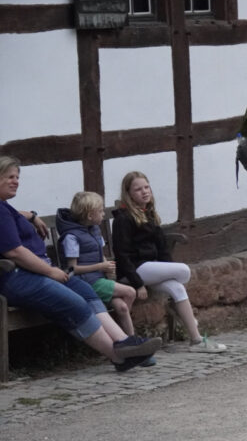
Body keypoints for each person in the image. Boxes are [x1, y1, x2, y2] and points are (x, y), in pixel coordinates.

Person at [0, 156, 161, 372]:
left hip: (35, 272)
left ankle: (125, 341)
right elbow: (14, 252)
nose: (16, 181)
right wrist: (50, 271)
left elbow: (14, 216)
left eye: (17, 177)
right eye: (9, 177)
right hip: (18, 277)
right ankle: (118, 356)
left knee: (83, 289)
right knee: (74, 302)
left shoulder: (5, 208)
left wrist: (32, 216)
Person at [112, 171, 227, 353]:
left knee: (178, 287)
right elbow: (122, 255)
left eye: (146, 187)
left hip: (151, 270)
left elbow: (163, 250)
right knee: (184, 271)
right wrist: (138, 284)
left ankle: (196, 341)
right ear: (129, 193)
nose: (144, 192)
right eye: (138, 189)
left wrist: (167, 269)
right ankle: (180, 311)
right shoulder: (123, 219)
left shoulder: (149, 214)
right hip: (135, 271)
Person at [56, 191, 138, 336]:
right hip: (87, 282)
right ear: (89, 216)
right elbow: (72, 268)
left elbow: (100, 254)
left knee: (122, 307)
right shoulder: (71, 237)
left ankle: (130, 338)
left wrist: (107, 266)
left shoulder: (94, 230)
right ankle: (119, 335)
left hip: (100, 278)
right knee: (130, 292)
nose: (103, 214)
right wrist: (100, 267)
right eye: (100, 211)